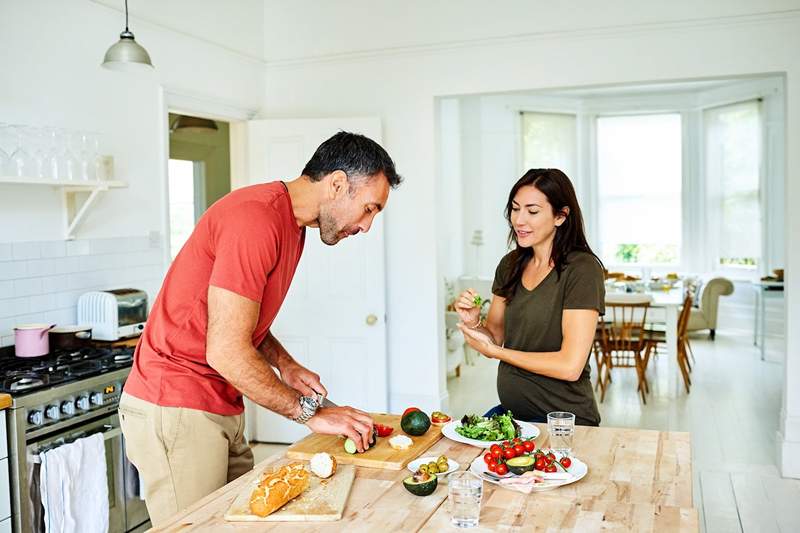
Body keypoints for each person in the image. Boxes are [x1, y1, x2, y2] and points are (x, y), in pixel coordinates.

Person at [119, 131, 402, 524]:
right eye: (369, 208)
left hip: (218, 398)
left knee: (244, 522)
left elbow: (237, 318)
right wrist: (309, 414)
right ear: (337, 184)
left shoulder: (293, 225)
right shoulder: (255, 219)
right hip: (177, 402)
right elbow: (226, 350)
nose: (367, 225)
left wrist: (285, 364)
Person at [455, 168, 604, 426]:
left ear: (560, 216)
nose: (519, 220)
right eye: (515, 209)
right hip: (515, 417)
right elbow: (495, 338)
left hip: (564, 422)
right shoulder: (510, 265)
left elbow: (570, 366)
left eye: (532, 211)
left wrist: (500, 353)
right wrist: (473, 322)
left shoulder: (582, 269)